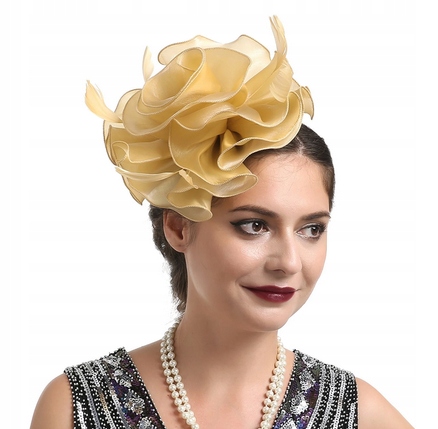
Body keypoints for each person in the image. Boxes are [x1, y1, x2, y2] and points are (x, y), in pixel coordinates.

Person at [29, 16, 414, 429]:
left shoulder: (359, 415)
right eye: (254, 225)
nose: (289, 262)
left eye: (311, 229)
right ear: (179, 227)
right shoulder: (76, 407)